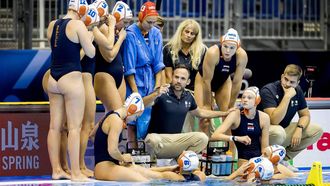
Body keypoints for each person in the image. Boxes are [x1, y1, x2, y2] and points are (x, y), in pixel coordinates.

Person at [46, 0, 95, 181]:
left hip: (53, 79)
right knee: (74, 128)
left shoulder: (52, 25)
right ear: (81, 9)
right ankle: (75, 173)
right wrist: (88, 39)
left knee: (54, 127)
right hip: (71, 79)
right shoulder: (78, 25)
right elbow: (91, 53)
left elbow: (57, 50)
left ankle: (56, 170)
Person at [145, 65, 236, 159]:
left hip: (176, 140)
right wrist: (156, 94)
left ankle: (180, 160)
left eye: (183, 78)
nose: (178, 81)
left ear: (188, 82)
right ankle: (154, 164)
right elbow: (142, 104)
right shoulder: (162, 92)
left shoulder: (188, 96)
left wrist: (224, 113)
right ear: (172, 77)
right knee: (151, 140)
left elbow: (200, 113)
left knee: (202, 138)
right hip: (159, 140)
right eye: (176, 77)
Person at [93, 92, 184, 182]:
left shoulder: (111, 115)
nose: (134, 119)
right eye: (136, 116)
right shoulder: (116, 120)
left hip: (111, 164)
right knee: (144, 181)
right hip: (105, 167)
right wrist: (123, 157)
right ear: (132, 109)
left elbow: (92, 135)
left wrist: (118, 158)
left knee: (155, 175)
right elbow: (112, 150)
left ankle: (171, 168)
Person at [259, 64, 323, 171]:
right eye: (286, 79)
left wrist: (299, 128)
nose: (287, 84)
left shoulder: (297, 90)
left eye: (292, 82)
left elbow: (305, 115)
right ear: (282, 76)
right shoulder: (268, 90)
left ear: (297, 83)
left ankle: (282, 160)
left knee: (316, 131)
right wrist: (287, 96)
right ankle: (266, 159)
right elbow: (274, 120)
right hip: (264, 135)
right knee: (279, 132)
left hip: (283, 132)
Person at [123, 1, 164, 142]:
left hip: (151, 81)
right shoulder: (131, 35)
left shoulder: (156, 34)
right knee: (133, 122)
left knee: (149, 122)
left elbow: (158, 64)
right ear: (141, 17)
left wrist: (157, 88)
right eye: (148, 22)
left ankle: (147, 159)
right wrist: (135, 94)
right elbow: (129, 68)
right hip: (135, 83)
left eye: (154, 22)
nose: (151, 25)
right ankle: (133, 154)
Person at [194, 28, 248, 133]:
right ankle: (203, 148)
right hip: (203, 80)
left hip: (223, 81)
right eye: (225, 46)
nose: (228, 51)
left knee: (229, 115)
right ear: (221, 43)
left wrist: (231, 105)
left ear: (237, 47)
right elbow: (207, 81)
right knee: (205, 117)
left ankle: (231, 149)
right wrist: (207, 104)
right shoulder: (213, 52)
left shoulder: (242, 56)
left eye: (232, 48)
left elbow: (237, 83)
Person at [211, 86, 270, 167]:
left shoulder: (264, 117)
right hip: (244, 160)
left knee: (288, 174)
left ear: (257, 100)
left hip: (260, 160)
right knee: (250, 177)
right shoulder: (235, 115)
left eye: (249, 98)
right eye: (243, 97)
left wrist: (267, 162)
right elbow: (215, 135)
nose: (245, 100)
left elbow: (264, 148)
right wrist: (236, 138)